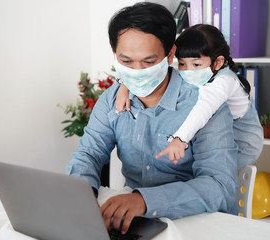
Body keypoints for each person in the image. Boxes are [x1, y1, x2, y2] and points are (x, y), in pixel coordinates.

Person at [66, 2, 238, 235]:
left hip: (197, 224)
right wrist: (79, 198)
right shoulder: (112, 99)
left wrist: (145, 201)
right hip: (135, 224)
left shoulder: (205, 103)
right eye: (126, 62)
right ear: (114, 53)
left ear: (170, 55)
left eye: (148, 62)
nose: (136, 71)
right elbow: (89, 153)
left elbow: (220, 186)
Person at [117, 24, 263, 168]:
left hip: (242, 145)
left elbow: (204, 108)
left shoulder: (224, 81)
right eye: (181, 64)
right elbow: (157, 74)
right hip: (216, 136)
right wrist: (125, 86)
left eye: (196, 65)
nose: (187, 71)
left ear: (217, 62)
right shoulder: (204, 72)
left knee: (189, 172)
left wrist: (180, 139)